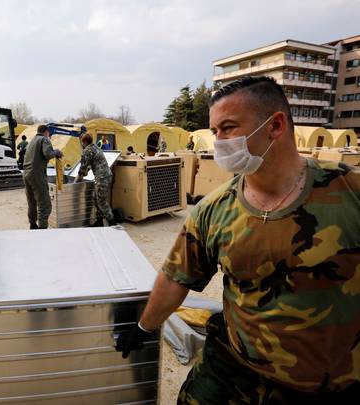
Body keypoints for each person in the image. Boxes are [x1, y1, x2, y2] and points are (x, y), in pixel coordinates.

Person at [115, 76, 360, 403]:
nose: (219, 142)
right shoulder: (214, 209)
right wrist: (144, 327)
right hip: (235, 370)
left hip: (329, 383)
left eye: (228, 127)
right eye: (215, 131)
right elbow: (177, 276)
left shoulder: (349, 192)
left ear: (274, 126)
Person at [22, 125, 63, 229]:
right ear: (47, 132)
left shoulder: (32, 141)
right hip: (36, 174)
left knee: (32, 201)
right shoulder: (44, 139)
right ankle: (42, 230)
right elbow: (48, 154)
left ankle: (33, 224)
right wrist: (57, 152)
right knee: (44, 204)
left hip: (26, 174)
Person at [76, 133, 115, 226]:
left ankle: (112, 222)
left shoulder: (88, 150)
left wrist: (76, 181)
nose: (82, 144)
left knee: (101, 200)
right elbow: (91, 163)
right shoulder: (95, 147)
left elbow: (83, 168)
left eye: (82, 142)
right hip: (105, 176)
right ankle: (99, 221)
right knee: (96, 198)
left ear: (84, 142)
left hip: (102, 178)